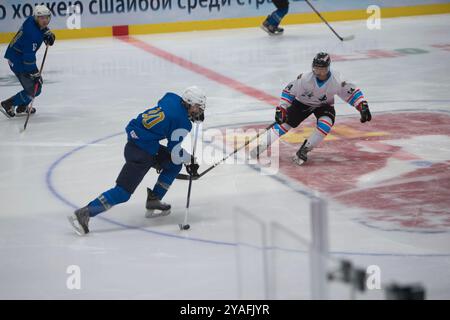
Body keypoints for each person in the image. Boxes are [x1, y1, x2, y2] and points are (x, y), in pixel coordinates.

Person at [68, 86, 206, 236]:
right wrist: (189, 160)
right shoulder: (182, 122)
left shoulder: (171, 98)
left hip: (141, 143)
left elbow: (164, 109)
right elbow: (174, 151)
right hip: (141, 153)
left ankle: (154, 199)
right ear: (189, 103)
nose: (199, 112)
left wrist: (184, 158)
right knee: (123, 192)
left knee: (174, 165)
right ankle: (85, 213)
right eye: (198, 107)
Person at [251, 52, 372, 165]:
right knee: (285, 123)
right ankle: (262, 144)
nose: (318, 72)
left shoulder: (337, 80)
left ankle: (305, 149)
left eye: (322, 69)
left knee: (326, 124)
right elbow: (288, 92)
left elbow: (352, 93)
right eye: (316, 68)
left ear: (328, 68)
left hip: (324, 105)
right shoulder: (304, 79)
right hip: (302, 103)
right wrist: (282, 109)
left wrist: (362, 106)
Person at [1, 5, 55, 118]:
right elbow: (28, 58)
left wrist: (47, 33)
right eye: (41, 18)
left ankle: (22, 106)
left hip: (16, 55)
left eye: (46, 17)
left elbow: (42, 28)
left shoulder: (32, 20)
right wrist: (35, 73)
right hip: (18, 60)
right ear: (36, 18)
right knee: (35, 89)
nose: (45, 20)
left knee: (36, 86)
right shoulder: (32, 35)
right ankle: (8, 104)